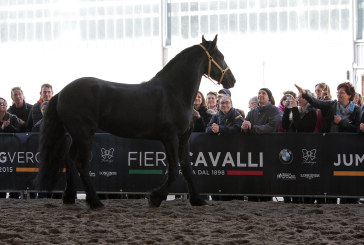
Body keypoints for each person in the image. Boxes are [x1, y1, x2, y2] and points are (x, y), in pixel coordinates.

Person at [296, 82, 361, 204]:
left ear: (349, 95)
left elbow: (357, 129)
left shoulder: (356, 110)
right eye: (337, 92)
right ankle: (331, 200)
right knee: (330, 175)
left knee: (347, 176)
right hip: (331, 146)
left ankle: (350, 200)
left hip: (349, 150)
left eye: (342, 92)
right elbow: (317, 103)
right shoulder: (332, 105)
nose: (339, 94)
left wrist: (342, 122)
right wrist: (304, 94)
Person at [241, 88, 280, 202]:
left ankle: (267, 200)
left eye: (264, 93)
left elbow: (271, 128)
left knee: (267, 178)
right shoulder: (251, 112)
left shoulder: (274, 110)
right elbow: (245, 127)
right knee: (252, 176)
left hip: (268, 149)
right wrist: (244, 128)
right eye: (259, 93)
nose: (260, 95)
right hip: (253, 150)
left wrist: (252, 127)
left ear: (269, 97)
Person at [281, 90, 317, 204]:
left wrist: (294, 109)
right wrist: (287, 109)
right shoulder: (295, 110)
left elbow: (300, 126)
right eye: (298, 97)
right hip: (292, 146)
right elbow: (285, 125)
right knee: (292, 174)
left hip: (306, 147)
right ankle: (293, 199)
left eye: (302, 97)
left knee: (305, 176)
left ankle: (307, 200)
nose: (299, 99)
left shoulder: (311, 111)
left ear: (309, 99)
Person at [0, 97, 20, 198]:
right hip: (1, 153)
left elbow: (18, 133)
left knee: (13, 175)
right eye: (0, 103)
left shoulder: (12, 117)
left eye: (4, 102)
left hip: (12, 152)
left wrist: (8, 127)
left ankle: (15, 196)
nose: (2, 104)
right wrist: (2, 128)